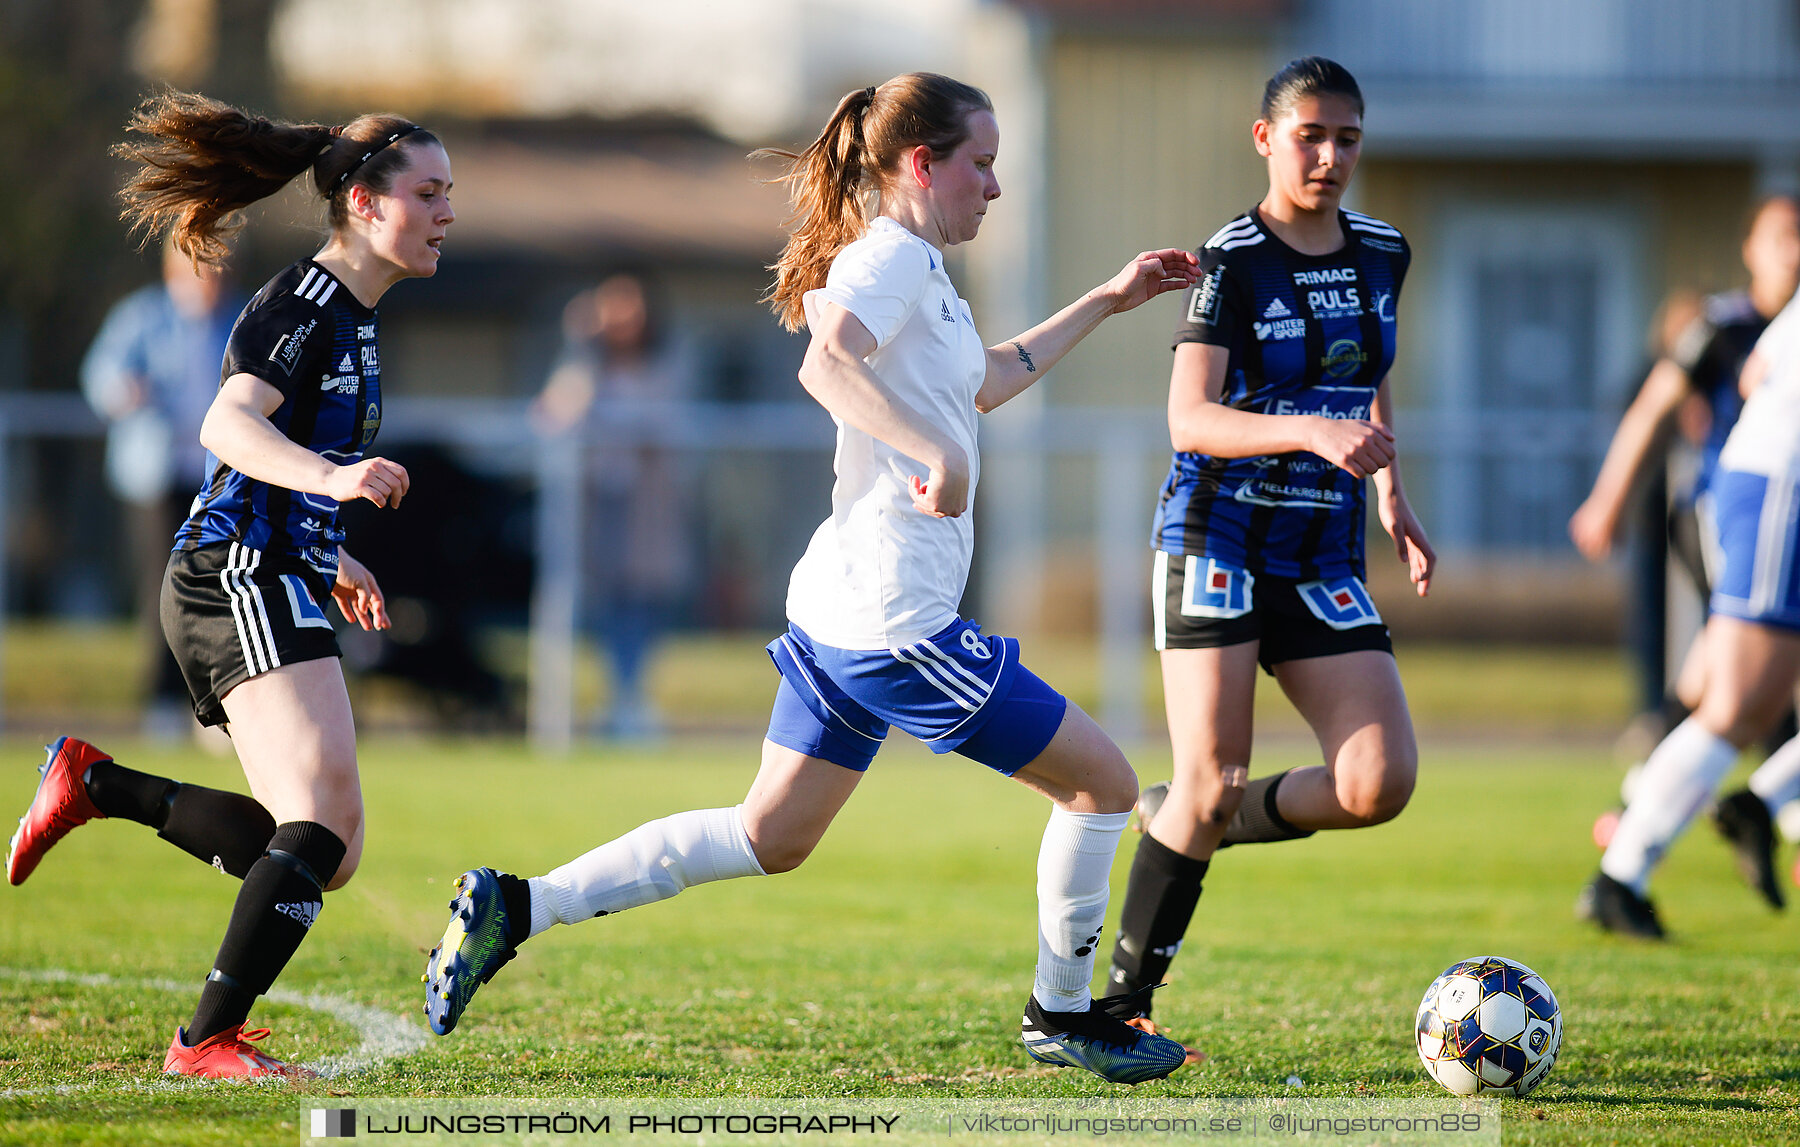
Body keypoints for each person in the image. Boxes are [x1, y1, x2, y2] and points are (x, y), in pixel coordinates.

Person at [422, 72, 1200, 1085]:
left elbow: (989, 377)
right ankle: (1062, 1012)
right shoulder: (892, 259)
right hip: (896, 621)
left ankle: (517, 903)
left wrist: (1107, 298)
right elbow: (824, 364)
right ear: (922, 165)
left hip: (841, 608)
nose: (996, 189)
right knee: (1103, 783)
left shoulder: (918, 267)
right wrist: (939, 453)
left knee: (769, 835)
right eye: (984, 164)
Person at [4, 90, 454, 1077]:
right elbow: (226, 426)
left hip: (269, 564)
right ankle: (202, 1040)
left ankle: (96, 782)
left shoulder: (358, 319)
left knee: (327, 843)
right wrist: (334, 482)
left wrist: (330, 549)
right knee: (323, 825)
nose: (446, 212)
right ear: (367, 205)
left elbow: (271, 459)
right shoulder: (303, 303)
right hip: (228, 573)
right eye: (428, 191)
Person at [1103, 58, 1434, 1054]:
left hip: (1320, 546)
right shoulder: (1233, 259)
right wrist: (1308, 433)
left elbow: (1366, 376)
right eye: (1309, 137)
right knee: (1208, 770)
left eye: (1347, 139)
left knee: (1380, 781)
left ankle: (1206, 814)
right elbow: (1189, 418)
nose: (1329, 156)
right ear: (1265, 140)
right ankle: (1117, 1005)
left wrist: (1389, 487)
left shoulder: (1385, 250)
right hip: (1220, 535)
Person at [1569, 196, 1800, 825]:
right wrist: (1607, 500)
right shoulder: (1723, 325)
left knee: (1716, 679)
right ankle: (1768, 813)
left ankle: (1639, 807)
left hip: (1784, 522)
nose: (1793, 251)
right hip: (1727, 515)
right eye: (1780, 236)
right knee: (1756, 674)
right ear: (1750, 248)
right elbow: (1651, 408)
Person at [1580, 288, 1800, 938]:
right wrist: (1608, 500)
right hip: (1781, 489)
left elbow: (1762, 366)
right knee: (1737, 705)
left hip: (1771, 485)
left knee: (1732, 697)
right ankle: (1621, 876)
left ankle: (1759, 803)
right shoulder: (1723, 319)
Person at [80, 237, 244, 740]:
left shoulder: (239, 319)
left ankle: (215, 703)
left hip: (219, 479)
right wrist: (125, 391)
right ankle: (162, 701)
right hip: (156, 475)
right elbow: (101, 376)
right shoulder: (142, 317)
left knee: (222, 586)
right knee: (164, 585)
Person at [532, 272, 694, 739]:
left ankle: (632, 700)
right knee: (601, 602)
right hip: (595, 502)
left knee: (643, 601)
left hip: (647, 508)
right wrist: (581, 348)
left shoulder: (665, 365)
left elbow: (662, 425)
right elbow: (556, 416)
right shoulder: (585, 365)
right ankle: (616, 698)